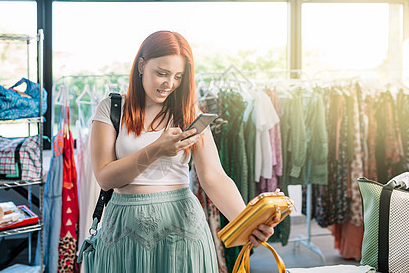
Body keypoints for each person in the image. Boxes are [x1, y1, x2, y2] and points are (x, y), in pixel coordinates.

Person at [90, 30, 277, 272]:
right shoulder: (112, 108)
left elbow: (213, 177)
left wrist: (247, 222)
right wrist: (157, 149)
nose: (170, 84)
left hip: (183, 228)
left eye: (178, 76)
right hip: (124, 229)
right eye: (162, 73)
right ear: (141, 65)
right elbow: (105, 178)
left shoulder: (189, 113)